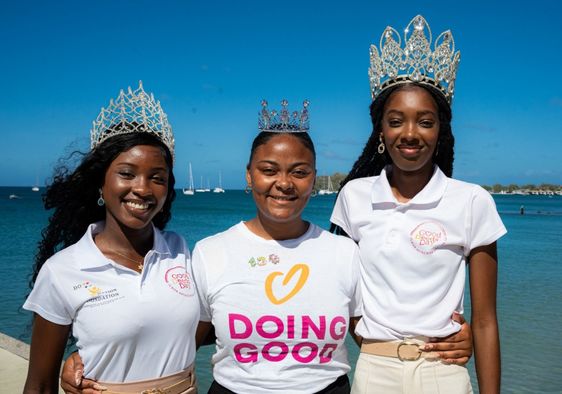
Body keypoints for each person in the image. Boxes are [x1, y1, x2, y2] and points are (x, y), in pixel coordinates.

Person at [60, 100, 472, 394]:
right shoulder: (209, 253)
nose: (284, 183)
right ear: (249, 176)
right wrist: (92, 357)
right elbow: (182, 330)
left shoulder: (343, 252)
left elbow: (369, 329)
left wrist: (438, 341)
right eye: (269, 170)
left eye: (299, 172)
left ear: (314, 179)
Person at [330, 15, 506, 394]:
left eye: (425, 122)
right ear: (381, 130)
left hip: (444, 371)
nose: (410, 134)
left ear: (441, 130)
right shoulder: (354, 197)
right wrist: (371, 341)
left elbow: (487, 320)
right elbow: (338, 291)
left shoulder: (472, 201)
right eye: (396, 121)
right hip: (374, 371)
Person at [23, 82, 199, 394]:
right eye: (127, 174)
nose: (143, 189)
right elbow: (39, 384)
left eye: (157, 178)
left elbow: (209, 324)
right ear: (100, 184)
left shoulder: (181, 252)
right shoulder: (62, 271)